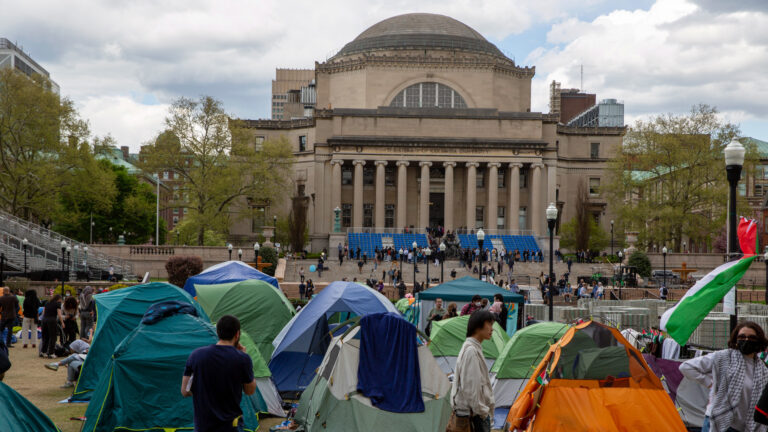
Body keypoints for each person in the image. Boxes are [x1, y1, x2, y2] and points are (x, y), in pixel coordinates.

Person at [680, 321, 768, 432]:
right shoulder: (723, 357)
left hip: (745, 427)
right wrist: (710, 383)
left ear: (759, 341)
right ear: (736, 339)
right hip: (718, 421)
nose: (746, 340)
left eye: (751, 338)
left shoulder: (763, 371)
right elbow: (686, 367)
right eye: (742, 337)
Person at [182, 315, 257, 432]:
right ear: (237, 334)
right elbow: (249, 391)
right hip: (230, 426)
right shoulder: (242, 359)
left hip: (203, 426)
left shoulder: (196, 355)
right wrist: (244, 357)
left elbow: (185, 391)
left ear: (217, 332)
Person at [450, 311, 495, 432]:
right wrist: (484, 413)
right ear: (478, 326)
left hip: (471, 413)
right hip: (471, 416)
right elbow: (471, 390)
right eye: (489, 324)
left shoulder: (472, 347)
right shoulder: (471, 351)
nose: (492, 329)